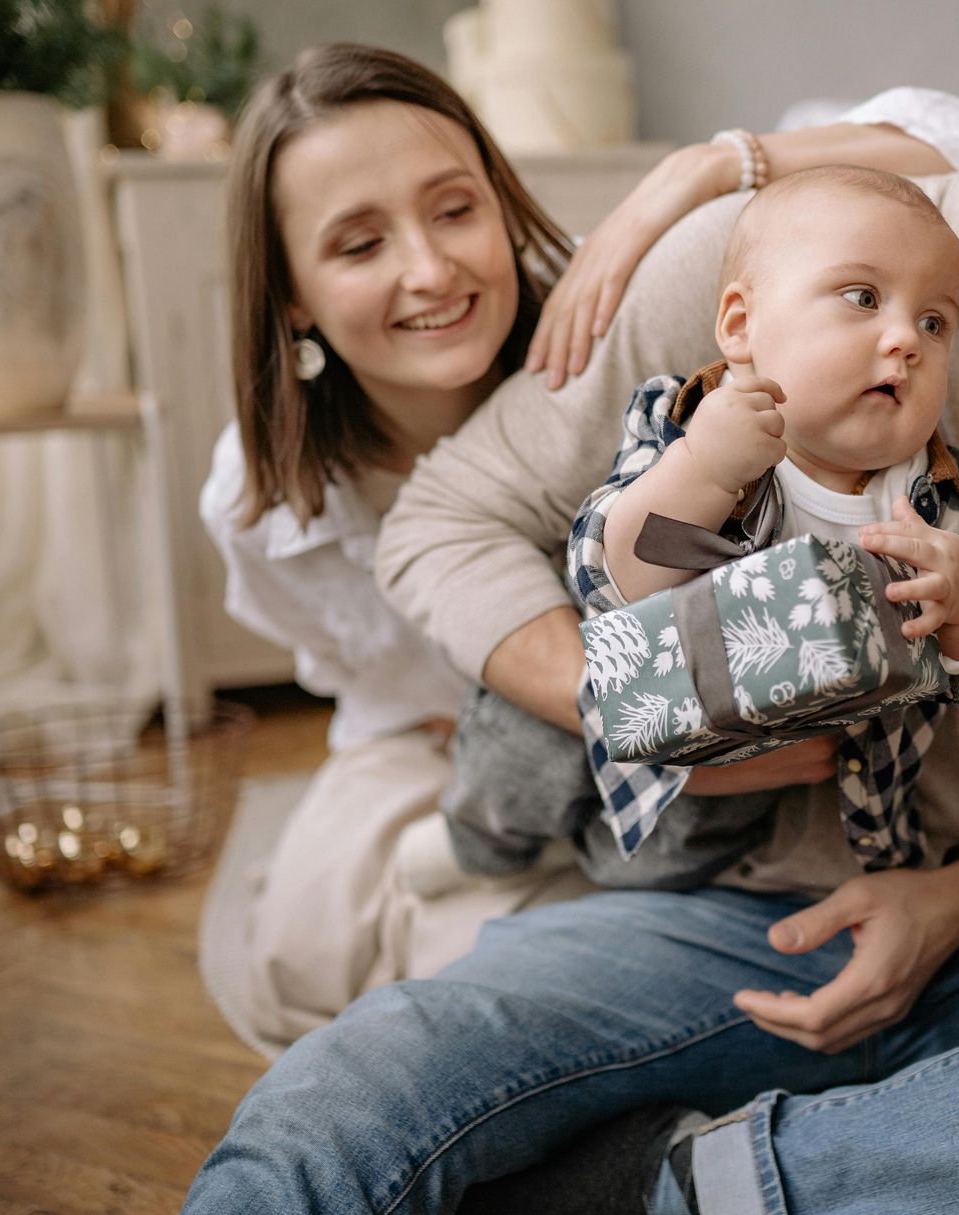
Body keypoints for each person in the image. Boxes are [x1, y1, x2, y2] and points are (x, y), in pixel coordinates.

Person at [136, 4, 959, 1215]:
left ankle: (696, 1189)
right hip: (714, 914)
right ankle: (890, 1153)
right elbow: (447, 522)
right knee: (345, 1097)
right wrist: (658, 704)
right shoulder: (765, 256)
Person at [195, 42, 848, 1049]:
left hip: (664, 745)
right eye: (359, 245)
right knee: (308, 944)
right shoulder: (261, 497)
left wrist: (699, 170)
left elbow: (953, 151)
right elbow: (349, 669)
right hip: (433, 741)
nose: (430, 270)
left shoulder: (615, 324)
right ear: (291, 295)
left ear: (501, 203)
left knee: (523, 976)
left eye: (456, 210)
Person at [428, 167, 959, 894]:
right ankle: (471, 847)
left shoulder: (950, 504)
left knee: (671, 861)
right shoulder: (690, 421)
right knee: (517, 760)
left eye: (935, 323)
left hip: (754, 772)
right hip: (615, 699)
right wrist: (704, 472)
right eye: (863, 298)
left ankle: (587, 862)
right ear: (742, 327)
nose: (906, 339)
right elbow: (607, 580)